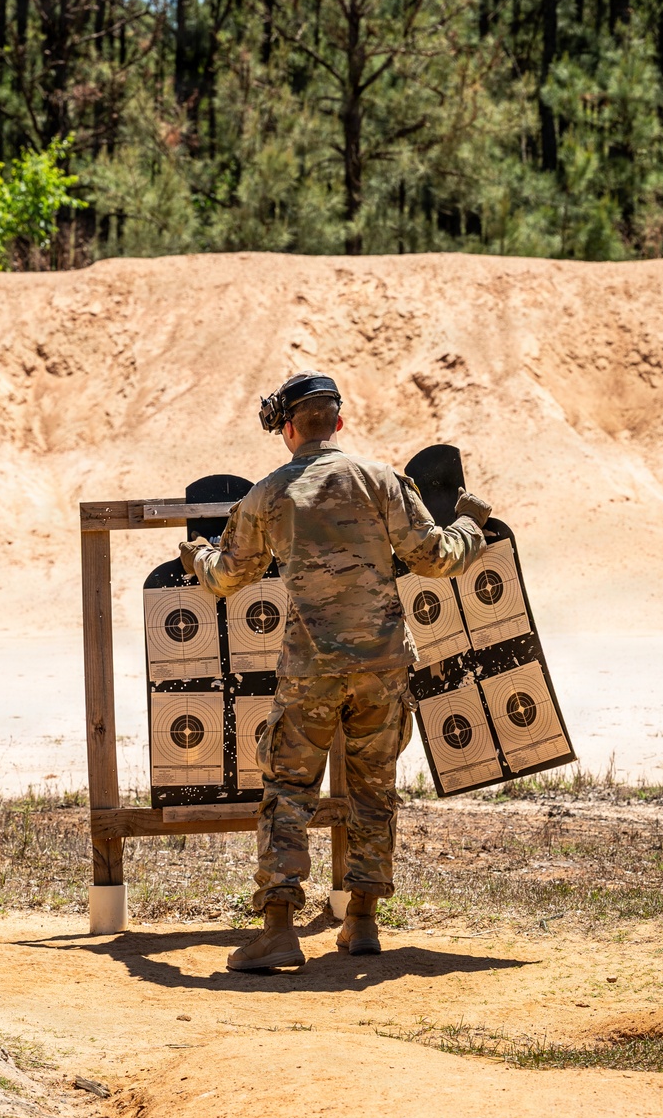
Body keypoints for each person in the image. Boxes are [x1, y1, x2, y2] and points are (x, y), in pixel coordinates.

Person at [178, 372, 491, 972]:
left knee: (289, 790)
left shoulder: (269, 494)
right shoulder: (381, 479)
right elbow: (435, 557)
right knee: (374, 788)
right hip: (382, 664)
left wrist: (197, 554)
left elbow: (226, 578)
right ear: (338, 422)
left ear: (289, 428)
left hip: (311, 669)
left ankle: (278, 930)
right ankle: (363, 923)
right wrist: (471, 525)